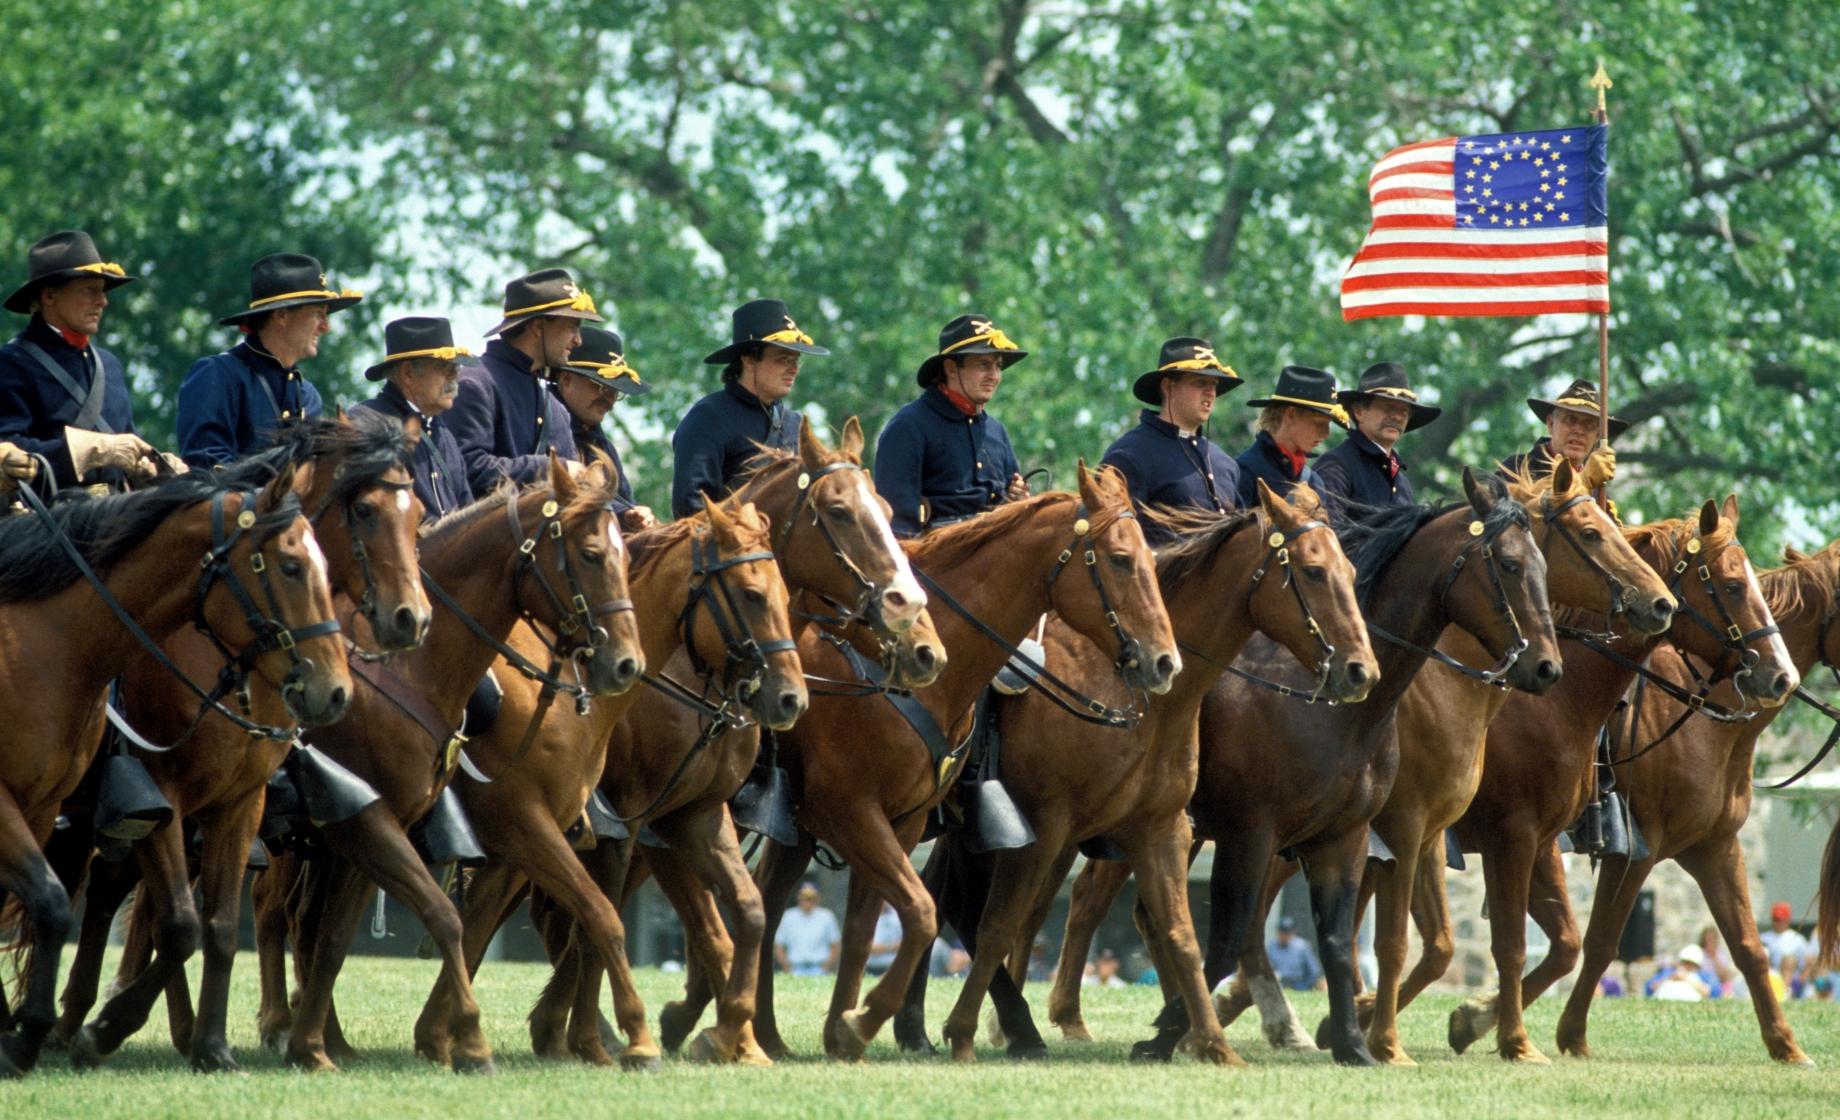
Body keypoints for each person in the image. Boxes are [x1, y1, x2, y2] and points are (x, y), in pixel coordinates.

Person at [0, 230, 169, 494]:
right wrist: (89, 451)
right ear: (49, 296)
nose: (102, 301)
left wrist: (151, 466)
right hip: (48, 520)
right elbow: (8, 452)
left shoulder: (109, 365)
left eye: (101, 291)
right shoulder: (11, 363)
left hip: (119, 512)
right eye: (90, 290)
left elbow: (127, 441)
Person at [177, 252, 360, 467]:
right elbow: (206, 463)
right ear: (281, 316)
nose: (325, 327)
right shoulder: (218, 373)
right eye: (318, 314)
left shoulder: (308, 396)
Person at [873, 313, 1029, 537]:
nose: (994, 375)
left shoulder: (996, 431)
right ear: (951, 369)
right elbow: (898, 525)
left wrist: (1017, 501)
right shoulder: (909, 425)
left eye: (998, 366)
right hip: (936, 562)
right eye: (983, 365)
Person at [447, 267, 598, 495]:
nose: (578, 340)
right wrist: (551, 468)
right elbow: (467, 469)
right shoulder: (475, 384)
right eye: (572, 327)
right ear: (538, 327)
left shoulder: (555, 409)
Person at [671, 298, 824, 518]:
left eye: (796, 360)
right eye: (783, 359)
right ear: (749, 360)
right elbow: (691, 509)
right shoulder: (709, 417)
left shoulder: (795, 424)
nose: (793, 369)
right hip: (731, 550)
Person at [1099, 336, 1243, 543]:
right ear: (1168, 387)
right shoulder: (1130, 454)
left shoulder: (1225, 464)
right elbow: (1114, 545)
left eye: (1214, 384)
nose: (1211, 392)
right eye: (1200, 382)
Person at [351, 316, 475, 522]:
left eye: (456, 368)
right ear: (408, 373)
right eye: (444, 368)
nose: (454, 376)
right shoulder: (367, 423)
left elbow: (468, 517)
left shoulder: (444, 435)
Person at [1313, 361, 1442, 525]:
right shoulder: (1337, 464)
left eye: (1404, 411)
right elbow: (1327, 535)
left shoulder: (1402, 482)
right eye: (1388, 408)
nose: (1397, 417)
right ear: (1359, 412)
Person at [553, 326, 656, 530]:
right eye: (600, 387)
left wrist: (635, 514)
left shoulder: (601, 443)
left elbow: (623, 499)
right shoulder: (545, 424)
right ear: (566, 379)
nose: (608, 400)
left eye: (615, 392)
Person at [1234, 365, 1345, 507]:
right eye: (1319, 423)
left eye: (1328, 424)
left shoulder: (1314, 482)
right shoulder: (1245, 471)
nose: (1326, 433)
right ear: (1290, 414)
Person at [1500, 376, 1627, 481]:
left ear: (1598, 435)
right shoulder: (1516, 470)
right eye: (1570, 420)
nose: (1579, 430)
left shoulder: (1600, 495)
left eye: (1589, 424)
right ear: (1551, 424)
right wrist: (1584, 482)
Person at [773, 882, 842, 977]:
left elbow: (835, 945)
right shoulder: (788, 916)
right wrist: (787, 968)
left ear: (818, 898)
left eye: (811, 897)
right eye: (804, 897)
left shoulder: (827, 916)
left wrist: (826, 967)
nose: (807, 901)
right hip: (795, 969)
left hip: (819, 969)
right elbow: (778, 945)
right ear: (798, 897)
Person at [1761, 900, 1812, 995]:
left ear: (1788, 920)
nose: (1779, 923)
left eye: (1781, 920)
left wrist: (1802, 980)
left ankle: (1786, 992)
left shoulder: (1797, 939)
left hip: (1793, 981)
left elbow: (1806, 963)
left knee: (1789, 959)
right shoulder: (1763, 938)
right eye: (1776, 919)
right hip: (1770, 978)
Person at [1267, 915, 1324, 992]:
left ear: (1293, 932)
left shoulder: (1302, 946)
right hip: (1277, 984)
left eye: (1287, 933)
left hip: (1298, 984)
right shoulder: (1271, 946)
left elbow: (1314, 971)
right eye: (1282, 932)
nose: (1284, 936)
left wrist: (1305, 986)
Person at [866, 901, 902, 976]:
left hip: (893, 968)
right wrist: (891, 947)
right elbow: (866, 946)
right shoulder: (865, 918)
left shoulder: (898, 917)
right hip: (869, 969)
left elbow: (905, 943)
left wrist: (883, 948)